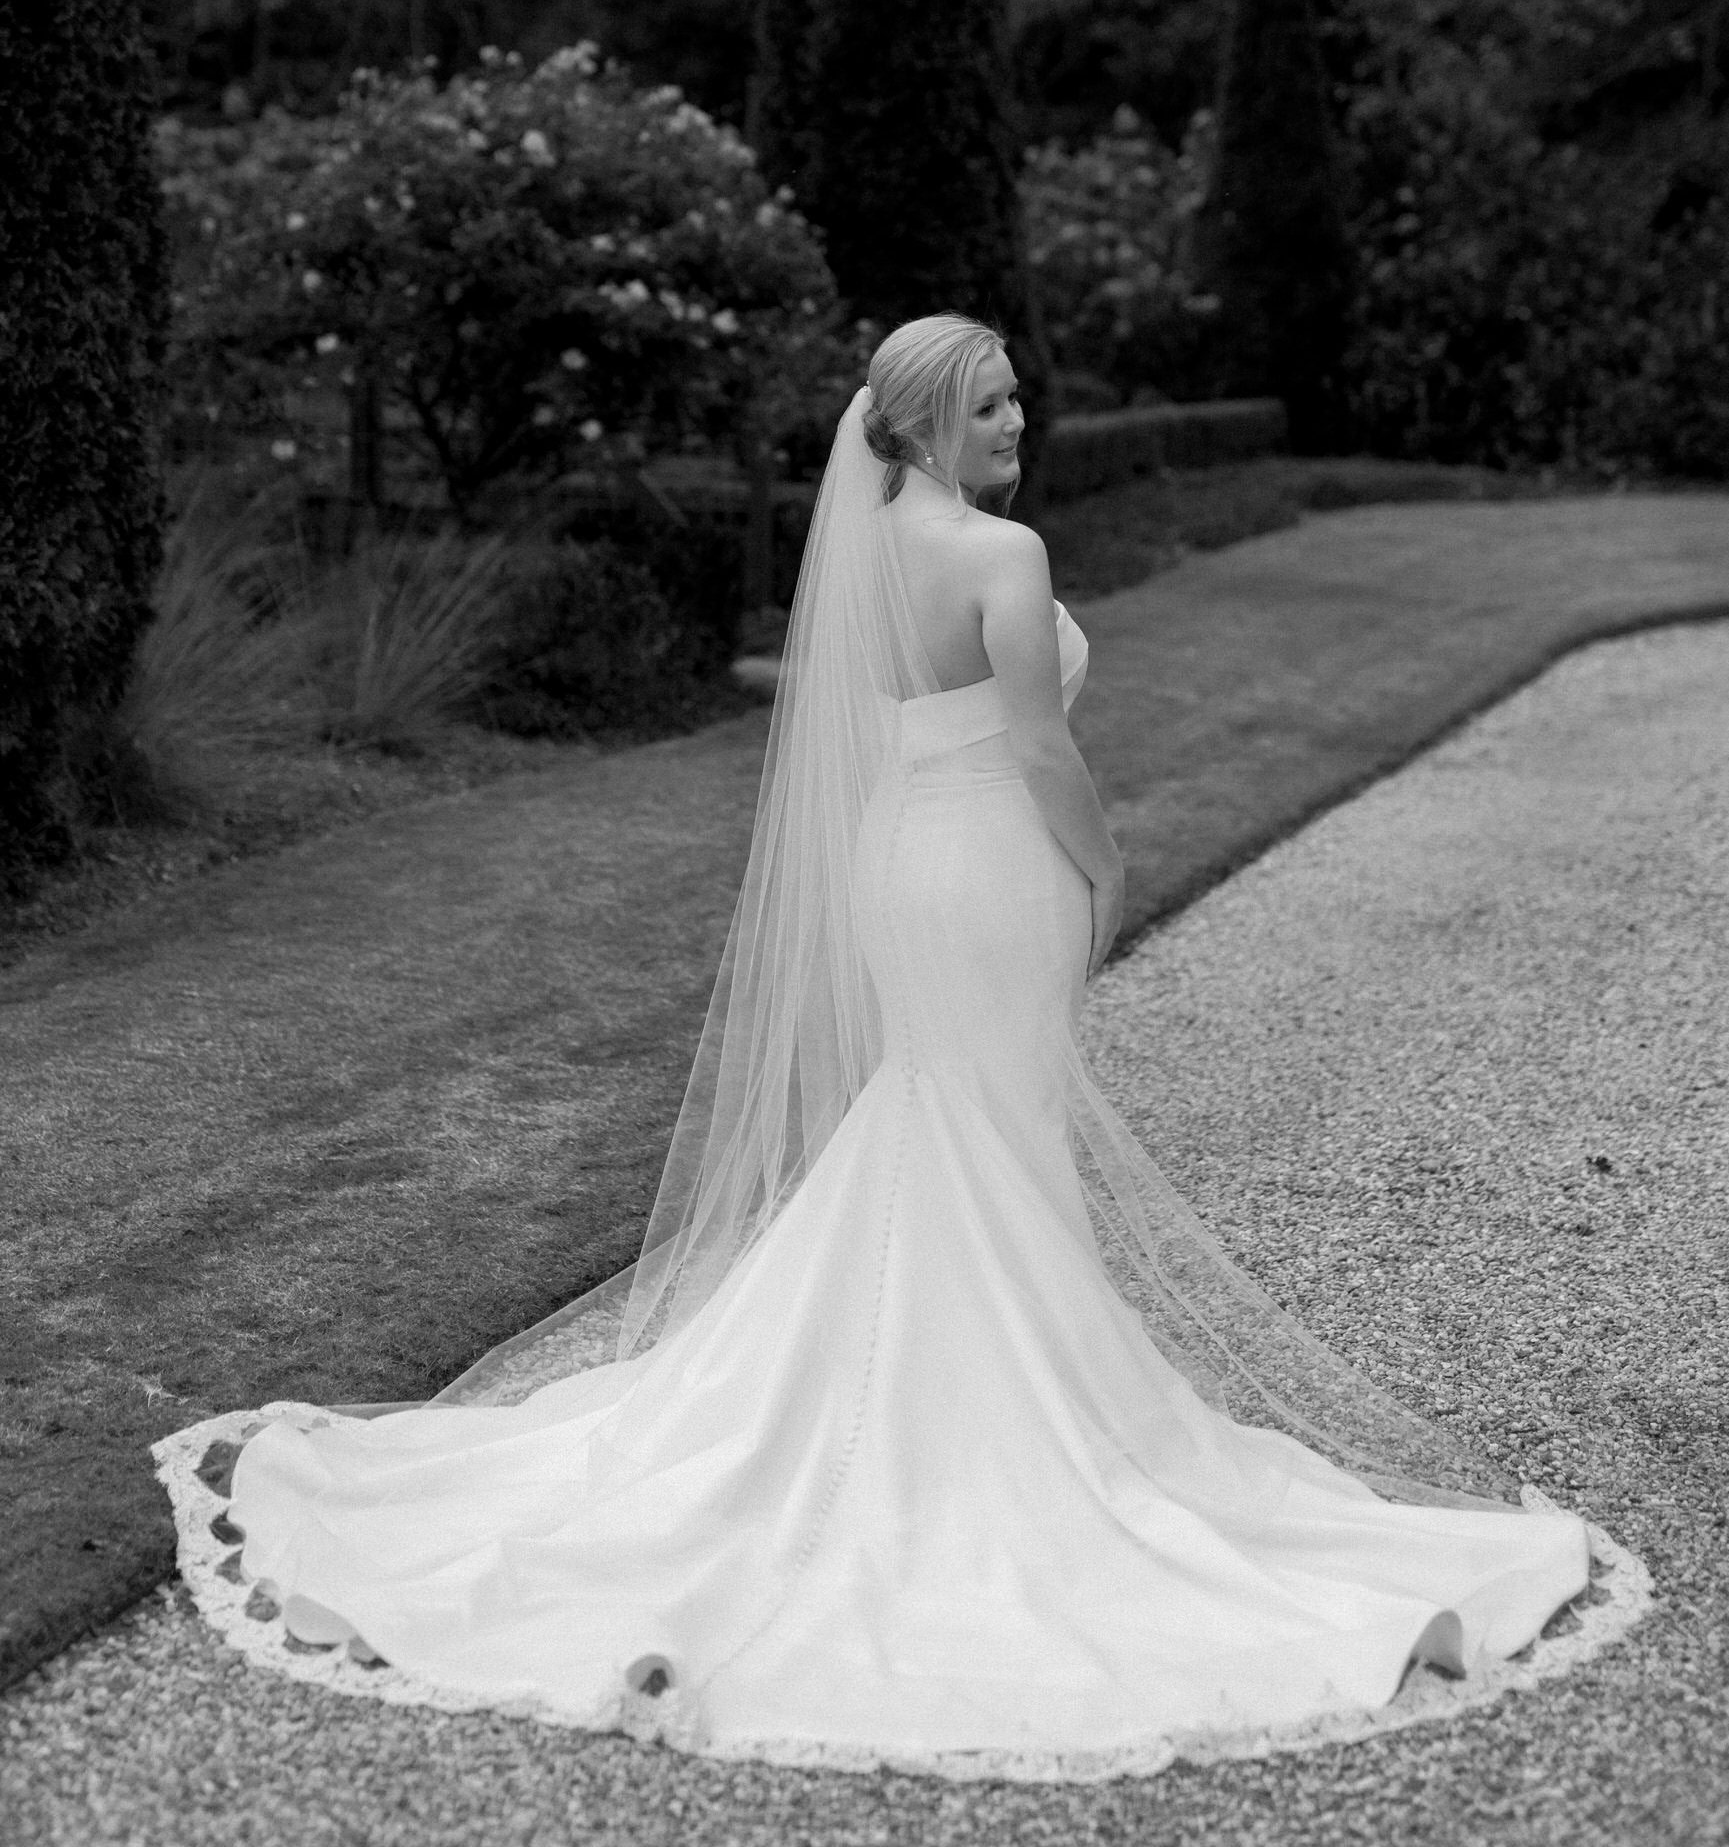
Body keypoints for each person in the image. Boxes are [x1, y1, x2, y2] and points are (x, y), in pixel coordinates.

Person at [157, 313, 1635, 1783]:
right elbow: (1039, 749)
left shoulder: (868, 554)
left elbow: (879, 724)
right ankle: (980, 1432)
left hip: (901, 859)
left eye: (1014, 405)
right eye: (991, 409)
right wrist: (1104, 868)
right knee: (982, 1127)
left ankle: (898, 1397)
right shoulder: (1001, 557)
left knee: (947, 1119)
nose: (1016, 428)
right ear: (926, 426)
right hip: (991, 860)